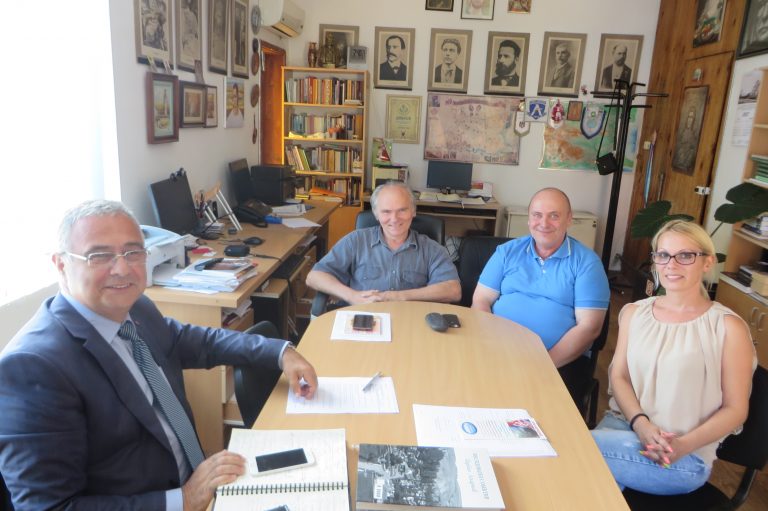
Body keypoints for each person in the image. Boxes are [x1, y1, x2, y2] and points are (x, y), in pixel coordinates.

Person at [0, 200, 318, 510]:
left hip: (201, 485)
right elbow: (50, 506)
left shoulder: (136, 307)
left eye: (133, 252)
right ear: (61, 264)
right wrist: (184, 499)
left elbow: (200, 341)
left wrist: (281, 352)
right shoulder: (32, 366)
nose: (122, 268)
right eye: (100, 256)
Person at [591, 220, 755, 495]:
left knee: (572, 448)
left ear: (707, 262)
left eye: (685, 255)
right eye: (663, 255)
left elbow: (736, 409)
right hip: (624, 426)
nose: (671, 264)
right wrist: (641, 424)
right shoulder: (634, 313)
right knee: (587, 488)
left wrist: (682, 445)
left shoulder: (728, 327)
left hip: (680, 454)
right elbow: (619, 377)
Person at [471, 188, 609, 401]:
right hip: (497, 350)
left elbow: (589, 327)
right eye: (537, 215)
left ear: (569, 219)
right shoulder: (506, 252)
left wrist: (542, 364)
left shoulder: (587, 263)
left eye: (554, 216)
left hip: (557, 361)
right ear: (529, 219)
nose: (544, 223)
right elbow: (481, 300)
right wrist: (492, 344)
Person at [306, 182, 461, 305]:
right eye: (386, 211)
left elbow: (453, 290)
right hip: (363, 320)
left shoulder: (432, 249)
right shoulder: (356, 241)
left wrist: (397, 297)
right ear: (376, 214)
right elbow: (314, 276)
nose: (394, 219)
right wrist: (351, 296)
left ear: (413, 211)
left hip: (412, 322)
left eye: (402, 210)